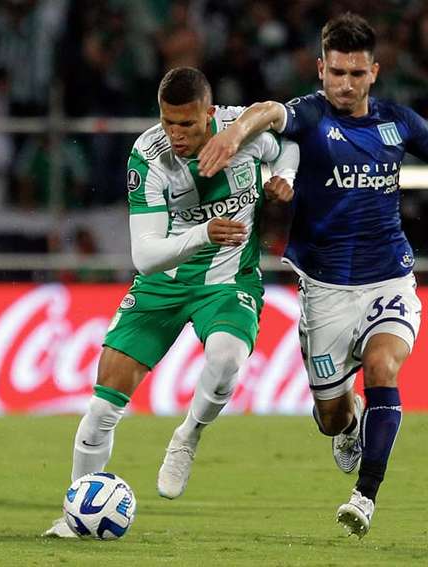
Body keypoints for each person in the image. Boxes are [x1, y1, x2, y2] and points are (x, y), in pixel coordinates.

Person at [196, 13, 428, 538]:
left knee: (383, 368)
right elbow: (266, 112)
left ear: (374, 72)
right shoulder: (309, 116)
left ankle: (365, 496)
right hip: (326, 291)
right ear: (321, 70)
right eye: (337, 73)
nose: (346, 84)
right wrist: (236, 132)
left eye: (356, 74)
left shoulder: (399, 123)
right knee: (330, 416)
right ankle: (348, 424)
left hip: (389, 281)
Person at [43, 67, 299, 537]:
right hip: (163, 284)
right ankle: (76, 515)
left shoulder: (242, 129)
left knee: (225, 360)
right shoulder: (149, 155)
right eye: (167, 122)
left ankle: (187, 436)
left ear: (210, 111)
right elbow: (145, 256)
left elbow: (290, 141)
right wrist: (204, 232)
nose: (176, 135)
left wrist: (284, 175)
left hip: (228, 281)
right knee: (102, 408)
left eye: (187, 124)